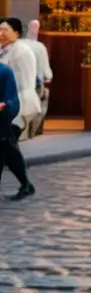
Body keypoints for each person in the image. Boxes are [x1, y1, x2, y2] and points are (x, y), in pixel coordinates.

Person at [0, 18, 41, 144]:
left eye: (5, 30)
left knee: (9, 145)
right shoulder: (3, 49)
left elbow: (25, 82)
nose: (1, 33)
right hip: (5, 103)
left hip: (16, 104)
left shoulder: (22, 51)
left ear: (16, 33)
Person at [0, 60, 34, 199]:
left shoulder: (4, 72)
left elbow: (13, 100)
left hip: (1, 121)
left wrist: (5, 106)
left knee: (8, 150)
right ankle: (26, 185)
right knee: (5, 151)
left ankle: (26, 184)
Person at [23, 20, 52, 138]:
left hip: (21, 83)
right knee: (39, 107)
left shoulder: (19, 45)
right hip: (36, 84)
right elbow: (46, 71)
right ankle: (33, 132)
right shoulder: (40, 47)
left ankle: (24, 133)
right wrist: (48, 77)